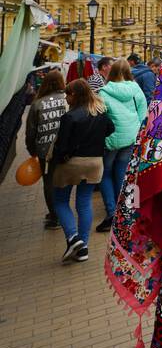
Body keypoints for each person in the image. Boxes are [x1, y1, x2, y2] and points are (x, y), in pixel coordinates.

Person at [52, 80, 114, 263]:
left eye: (68, 94)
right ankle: (83, 248)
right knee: (84, 202)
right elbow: (111, 128)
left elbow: (62, 146)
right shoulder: (99, 112)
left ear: (75, 95)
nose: (66, 97)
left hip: (72, 164)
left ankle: (73, 238)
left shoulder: (69, 117)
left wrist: (58, 157)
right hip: (95, 163)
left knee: (61, 201)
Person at [95, 59, 147, 233]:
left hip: (111, 140)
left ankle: (111, 213)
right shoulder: (135, 88)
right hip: (131, 136)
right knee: (124, 173)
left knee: (105, 174)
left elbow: (101, 117)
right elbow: (143, 113)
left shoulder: (103, 91)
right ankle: (127, 211)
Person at [25, 68, 68, 229]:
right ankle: (64, 210)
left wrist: (32, 151)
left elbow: (31, 131)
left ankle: (54, 216)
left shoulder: (37, 103)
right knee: (64, 180)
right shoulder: (67, 98)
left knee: (49, 183)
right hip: (65, 148)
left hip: (45, 150)